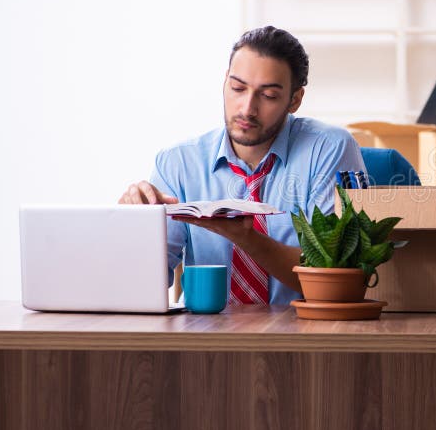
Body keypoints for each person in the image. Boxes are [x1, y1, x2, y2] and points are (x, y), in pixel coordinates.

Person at [118, 26, 366, 304]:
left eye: (269, 95)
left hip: (302, 334)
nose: (247, 108)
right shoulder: (177, 162)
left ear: (294, 99)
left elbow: (337, 276)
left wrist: (248, 238)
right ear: (225, 81)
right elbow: (140, 282)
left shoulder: (329, 148)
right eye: (237, 88)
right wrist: (131, 228)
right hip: (204, 335)